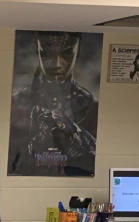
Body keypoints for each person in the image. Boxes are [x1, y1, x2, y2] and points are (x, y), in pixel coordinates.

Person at [8, 31, 98, 177]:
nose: (56, 64)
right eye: (46, 54)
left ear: (77, 52)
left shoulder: (92, 107)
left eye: (67, 53)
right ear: (38, 51)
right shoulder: (16, 103)